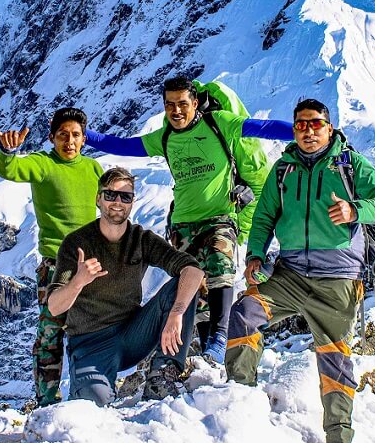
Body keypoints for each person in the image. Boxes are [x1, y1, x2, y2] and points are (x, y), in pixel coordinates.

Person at [225, 99, 375, 443]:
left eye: (315, 124)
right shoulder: (283, 169)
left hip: (337, 279)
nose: (308, 131)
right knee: (245, 313)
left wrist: (355, 210)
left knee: (334, 357)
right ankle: (239, 401)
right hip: (289, 273)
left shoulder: (350, 165)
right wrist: (255, 253)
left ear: (330, 128)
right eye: (301, 125)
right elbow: (265, 216)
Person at [83, 76, 292, 365]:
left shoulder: (219, 122)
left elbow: (264, 128)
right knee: (194, 285)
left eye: (183, 104)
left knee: (221, 261)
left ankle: (220, 337)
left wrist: (308, 130)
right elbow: (124, 146)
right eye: (170, 105)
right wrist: (86, 135)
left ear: (195, 103)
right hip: (182, 224)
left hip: (220, 216)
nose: (177, 111)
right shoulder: (165, 137)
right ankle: (209, 347)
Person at [48, 167, 206, 404]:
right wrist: (78, 281)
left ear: (132, 202)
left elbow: (192, 269)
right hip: (90, 342)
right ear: (98, 199)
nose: (117, 202)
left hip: (133, 333)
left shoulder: (140, 239)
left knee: (183, 286)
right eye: (110, 195)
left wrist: (176, 313)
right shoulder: (77, 243)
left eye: (126, 196)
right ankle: (96, 387)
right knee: (93, 404)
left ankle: (162, 376)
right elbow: (54, 307)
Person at [0, 107, 104, 408]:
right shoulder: (43, 164)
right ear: (52, 138)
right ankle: (46, 400)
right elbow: (11, 170)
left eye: (75, 136)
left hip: (90, 266)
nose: (69, 141)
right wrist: (7, 150)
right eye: (63, 135)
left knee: (89, 330)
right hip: (56, 265)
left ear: (84, 139)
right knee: (51, 333)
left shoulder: (93, 170)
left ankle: (87, 396)